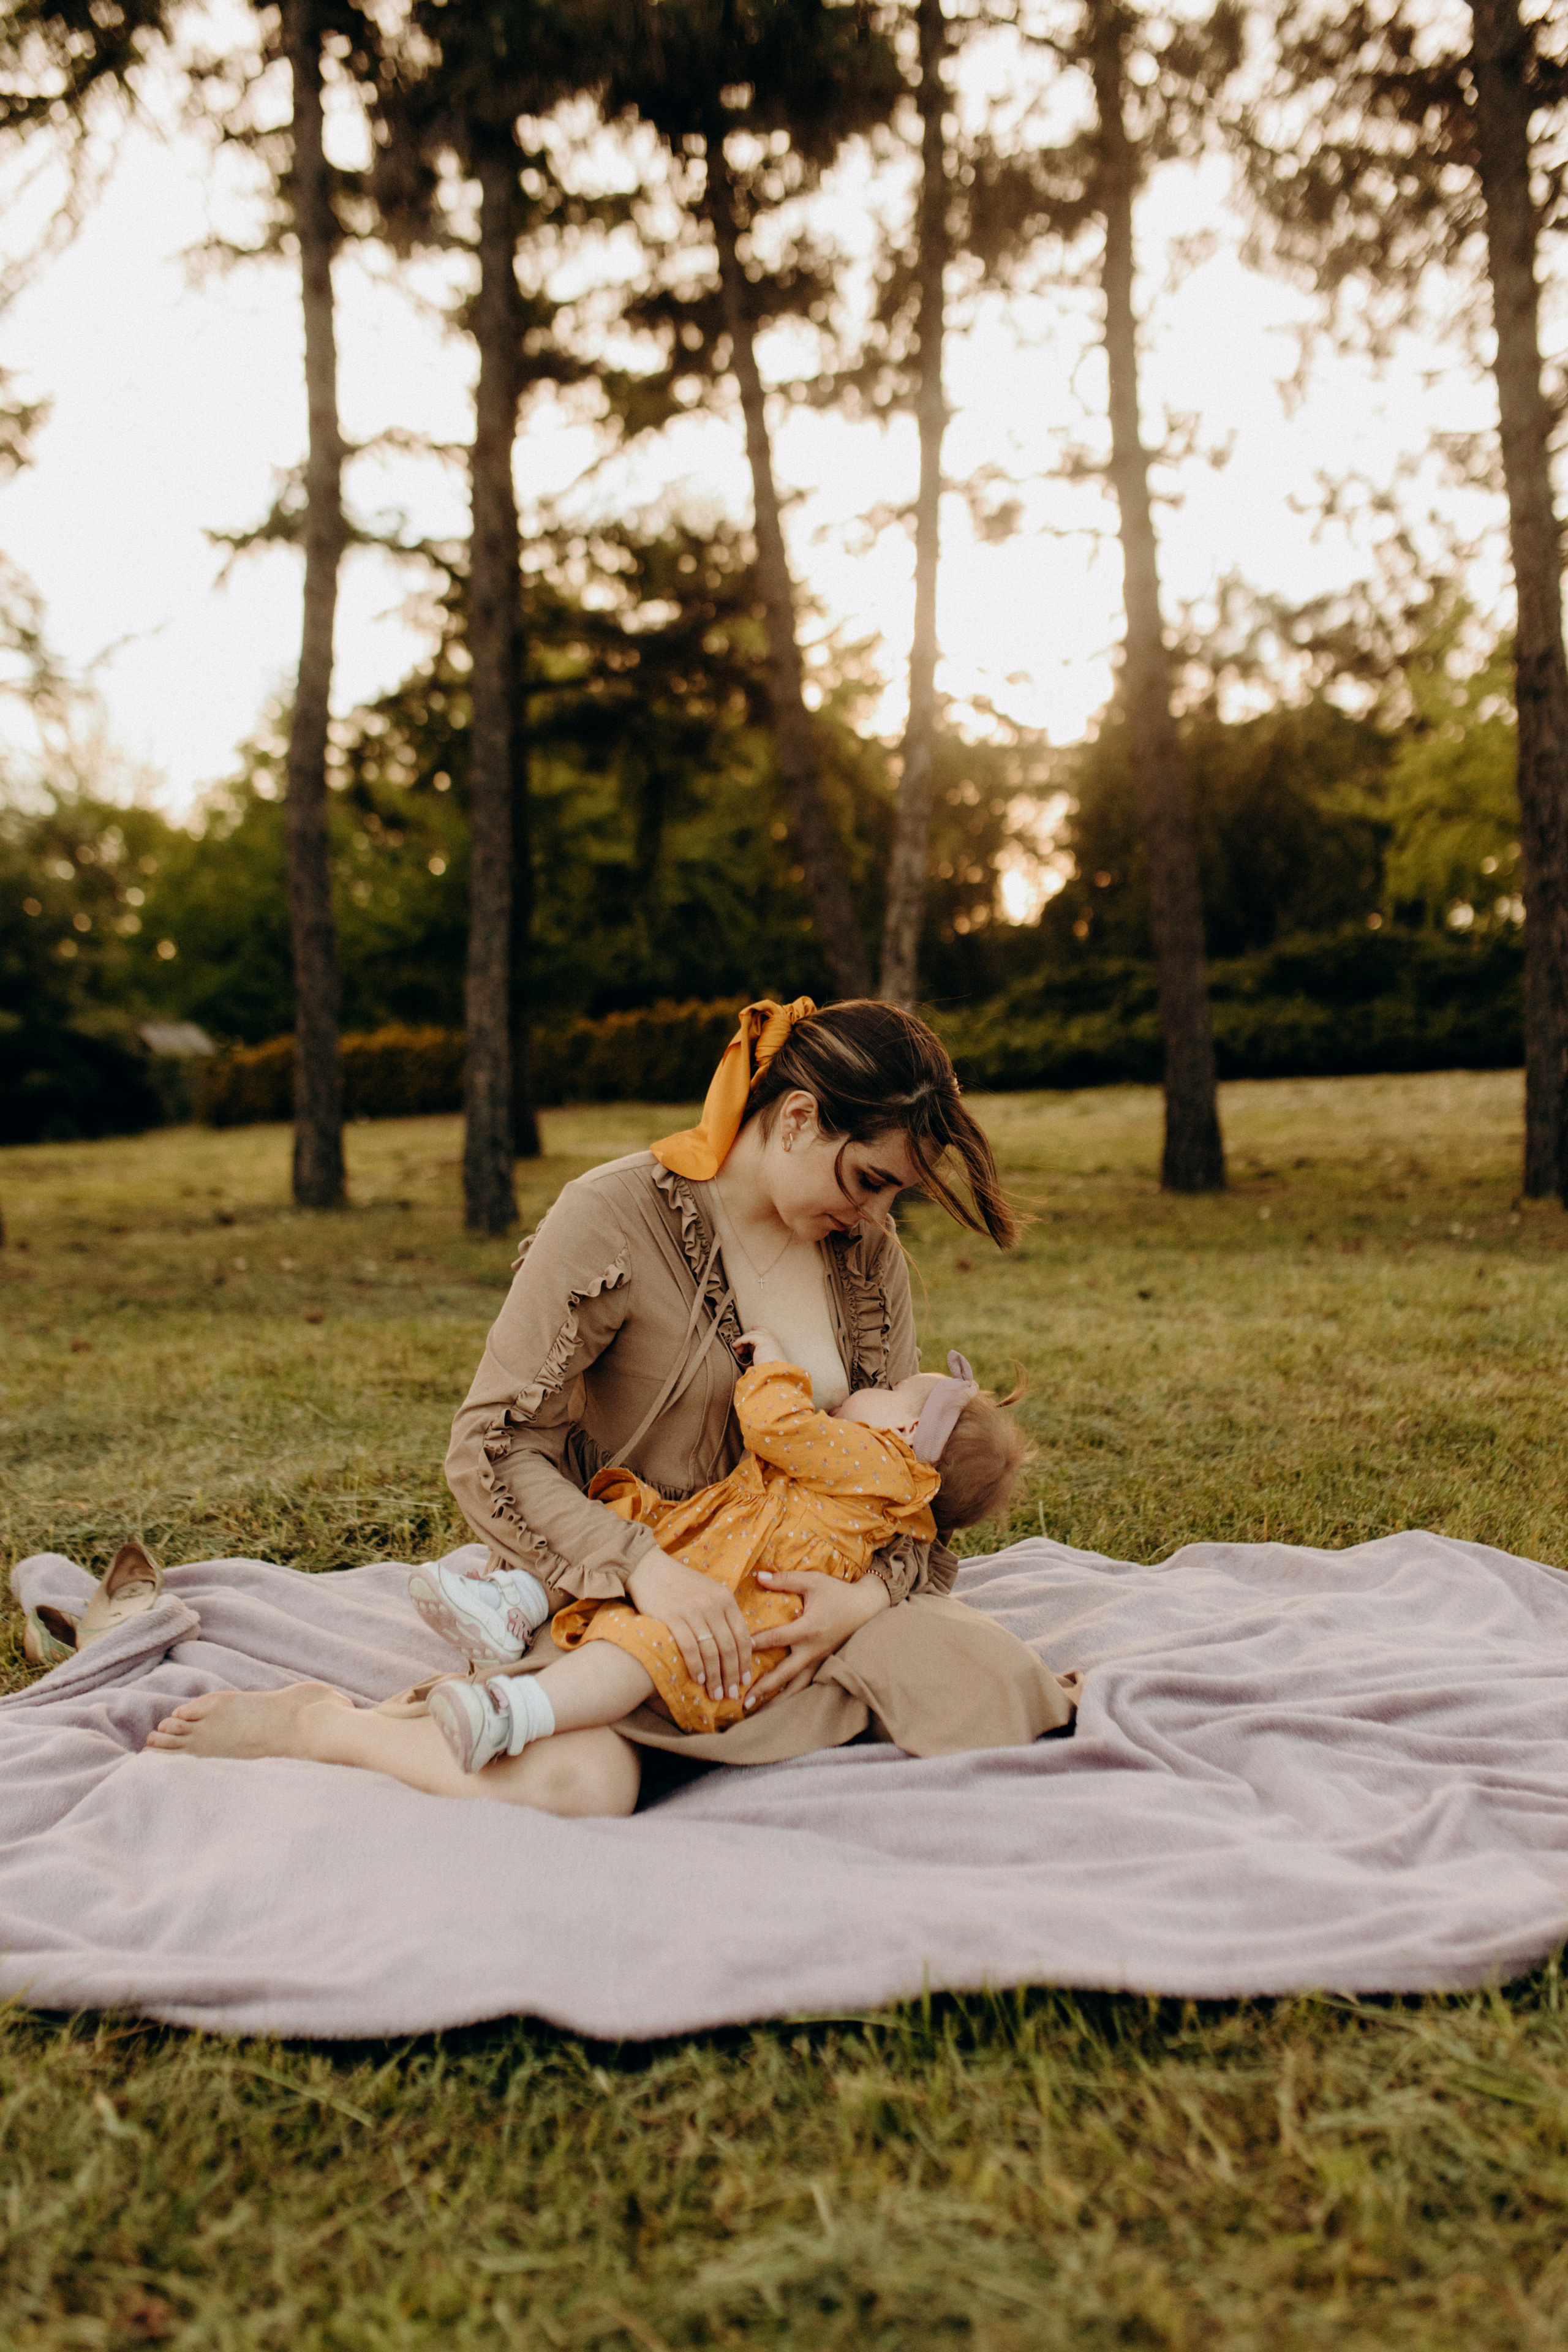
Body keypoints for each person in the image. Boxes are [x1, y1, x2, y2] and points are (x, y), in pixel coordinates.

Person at [146, 998, 1073, 1808]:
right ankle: (324, 1729)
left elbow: (902, 1481)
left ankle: (781, 1703)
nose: (876, 1217)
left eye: (894, 1197)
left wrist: (861, 1601)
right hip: (635, 1593)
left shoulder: (866, 1259)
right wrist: (643, 1568)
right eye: (870, 1181)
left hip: (801, 1606)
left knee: (1004, 1692)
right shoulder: (614, 1217)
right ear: (797, 1120)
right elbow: (494, 1448)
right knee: (580, 1785)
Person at [423, 1333, 1033, 1771]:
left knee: (644, 1649)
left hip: (738, 1597)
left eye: (891, 1391)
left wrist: (773, 1367)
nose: (871, 1388)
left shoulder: (875, 1461)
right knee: (625, 1520)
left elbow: (778, 1428)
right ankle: (515, 1604)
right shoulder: (899, 1500)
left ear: (905, 1434)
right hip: (719, 1546)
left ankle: (515, 1713)